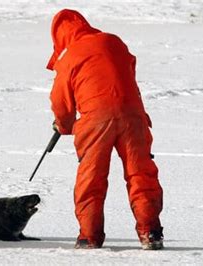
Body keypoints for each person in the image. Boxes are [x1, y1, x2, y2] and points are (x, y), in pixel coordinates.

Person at [46, 9, 164, 250]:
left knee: (92, 178)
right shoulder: (114, 41)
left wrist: (63, 124)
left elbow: (61, 101)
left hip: (96, 120)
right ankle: (150, 231)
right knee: (141, 174)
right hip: (133, 117)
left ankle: (89, 237)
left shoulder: (69, 57)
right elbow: (127, 73)